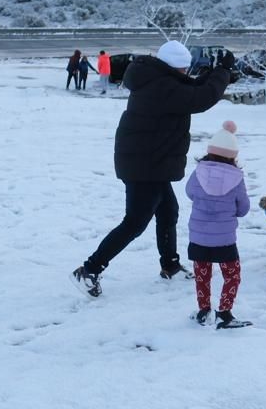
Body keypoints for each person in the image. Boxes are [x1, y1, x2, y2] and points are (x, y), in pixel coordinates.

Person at [72, 40, 237, 297]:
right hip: (144, 165)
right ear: (173, 67)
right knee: (135, 222)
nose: (185, 73)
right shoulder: (162, 87)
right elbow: (199, 98)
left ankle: (170, 265)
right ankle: (90, 269)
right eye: (183, 69)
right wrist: (223, 72)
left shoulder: (157, 78)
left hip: (150, 162)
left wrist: (210, 73)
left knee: (169, 211)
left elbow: (190, 88)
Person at [184, 120, 251, 328]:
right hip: (224, 241)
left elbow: (189, 193)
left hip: (199, 238)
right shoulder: (236, 179)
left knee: (202, 277)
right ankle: (224, 313)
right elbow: (243, 208)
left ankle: (204, 310)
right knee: (232, 275)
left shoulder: (198, 172)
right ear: (233, 155)